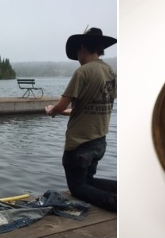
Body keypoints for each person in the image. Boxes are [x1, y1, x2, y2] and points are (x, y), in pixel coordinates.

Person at [45, 27, 117, 212]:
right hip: (99, 141)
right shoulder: (110, 71)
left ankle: (115, 203)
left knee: (77, 188)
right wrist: (64, 112)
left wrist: (51, 111)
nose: (78, 55)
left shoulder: (83, 72)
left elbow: (61, 105)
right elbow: (94, 107)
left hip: (80, 145)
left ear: (83, 47)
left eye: (78, 50)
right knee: (88, 181)